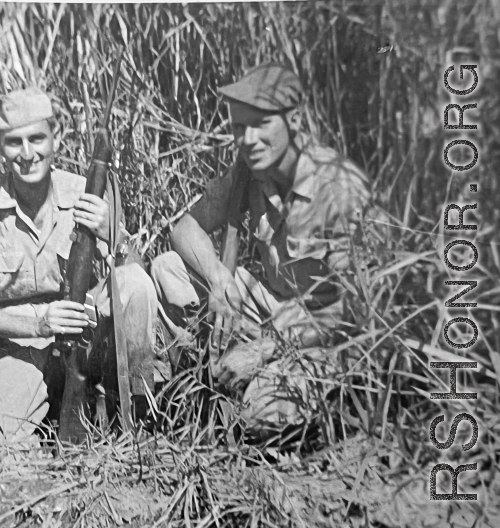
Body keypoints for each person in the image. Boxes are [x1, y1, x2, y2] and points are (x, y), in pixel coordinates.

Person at [151, 63, 374, 435]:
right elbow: (185, 228)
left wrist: (264, 350)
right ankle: (200, 376)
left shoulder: (339, 188)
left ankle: (271, 389)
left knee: (257, 415)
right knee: (167, 267)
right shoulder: (250, 169)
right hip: (271, 307)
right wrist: (218, 277)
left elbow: (357, 309)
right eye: (239, 127)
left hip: (323, 333)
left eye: (261, 123)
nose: (248, 138)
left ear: (296, 120)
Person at [0, 87, 165, 453]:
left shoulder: (86, 193)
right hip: (18, 344)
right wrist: (40, 323)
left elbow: (135, 276)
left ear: (57, 137)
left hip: (87, 338)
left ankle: (135, 415)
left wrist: (112, 236)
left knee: (134, 283)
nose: (28, 153)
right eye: (14, 142)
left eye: (37, 138)